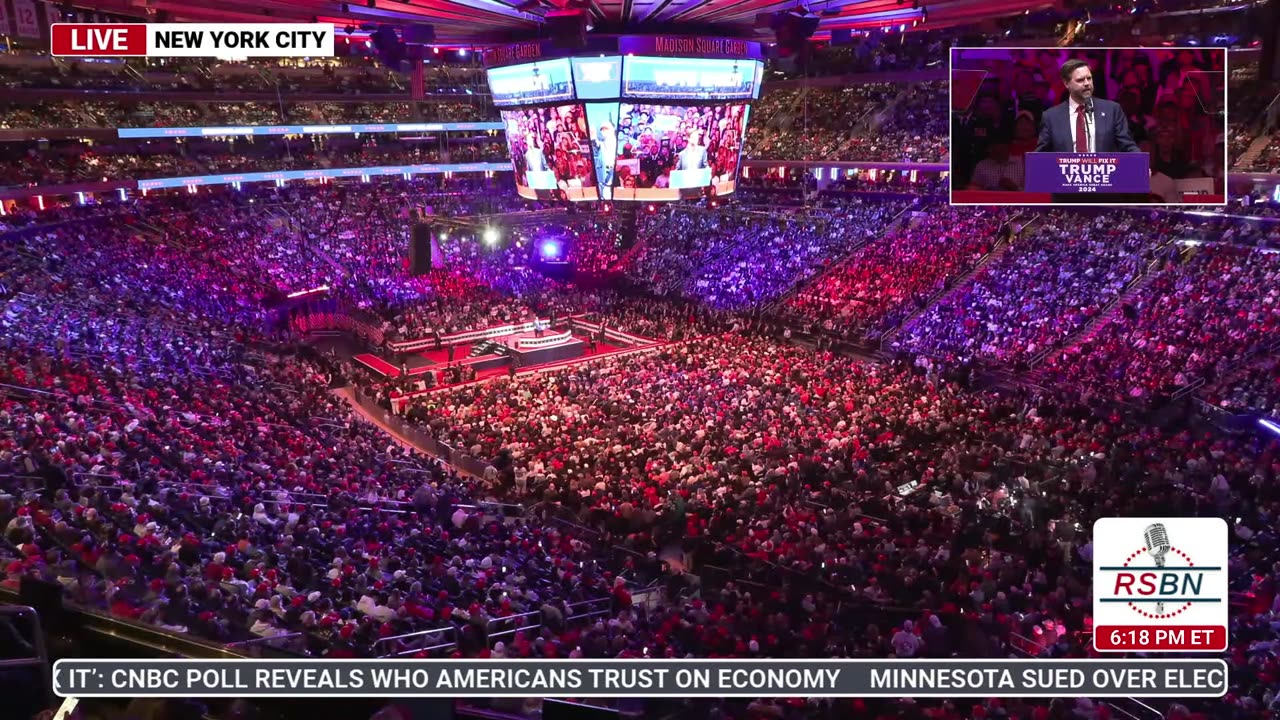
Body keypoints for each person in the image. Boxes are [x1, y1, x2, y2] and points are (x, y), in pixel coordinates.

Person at [1035, 59, 1140, 154]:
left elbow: (1128, 146)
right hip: (1065, 174)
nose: (1086, 83)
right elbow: (1041, 155)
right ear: (1066, 84)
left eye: (1089, 78)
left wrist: (1141, 165)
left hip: (1104, 173)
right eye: (1080, 80)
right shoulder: (1051, 117)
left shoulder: (1112, 110)